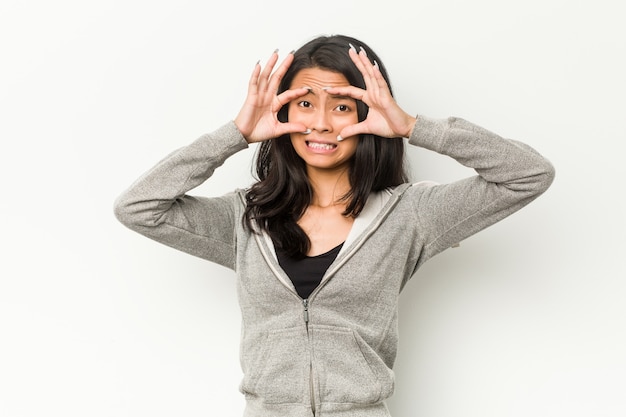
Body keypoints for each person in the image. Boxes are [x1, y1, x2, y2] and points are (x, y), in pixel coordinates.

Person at [114, 34, 555, 417]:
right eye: (304, 103)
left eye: (342, 105)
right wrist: (236, 134)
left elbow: (527, 174)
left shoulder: (411, 214)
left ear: (367, 111)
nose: (321, 122)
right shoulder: (243, 219)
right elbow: (138, 207)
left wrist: (411, 126)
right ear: (284, 112)